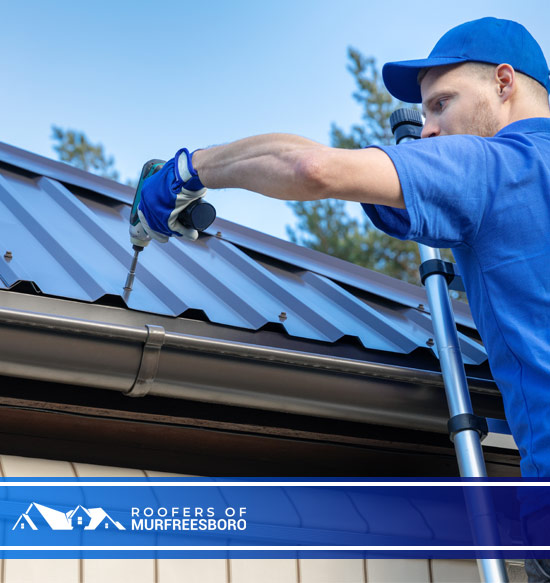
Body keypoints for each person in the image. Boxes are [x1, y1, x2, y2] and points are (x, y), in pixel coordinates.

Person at [138, 17, 550, 580]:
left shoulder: (496, 167)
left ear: (504, 83)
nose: (428, 130)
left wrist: (189, 169)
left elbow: (311, 170)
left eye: (441, 104)